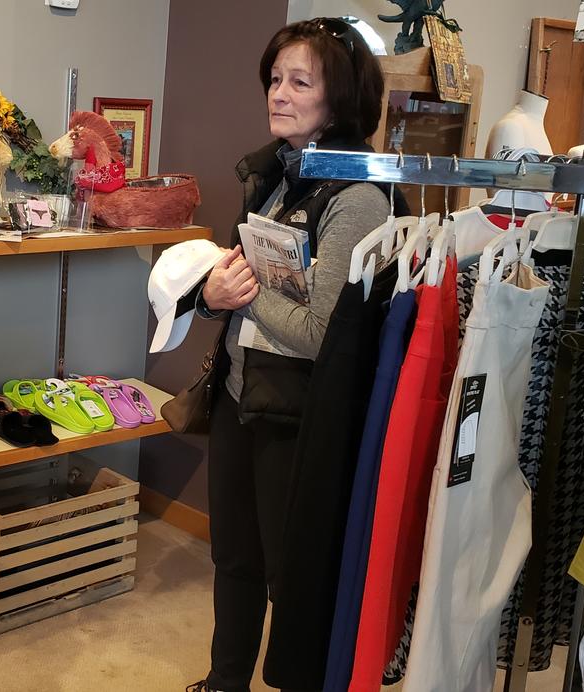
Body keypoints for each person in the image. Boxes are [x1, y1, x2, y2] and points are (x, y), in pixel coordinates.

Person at [186, 18, 393, 692]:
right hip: (242, 396)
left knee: (295, 581)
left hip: (297, 418)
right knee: (235, 560)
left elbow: (321, 332)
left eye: (299, 81)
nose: (278, 93)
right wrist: (213, 295)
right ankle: (224, 683)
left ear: (340, 98)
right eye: (275, 79)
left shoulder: (358, 198)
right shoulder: (278, 177)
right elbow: (244, 285)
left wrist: (238, 297)